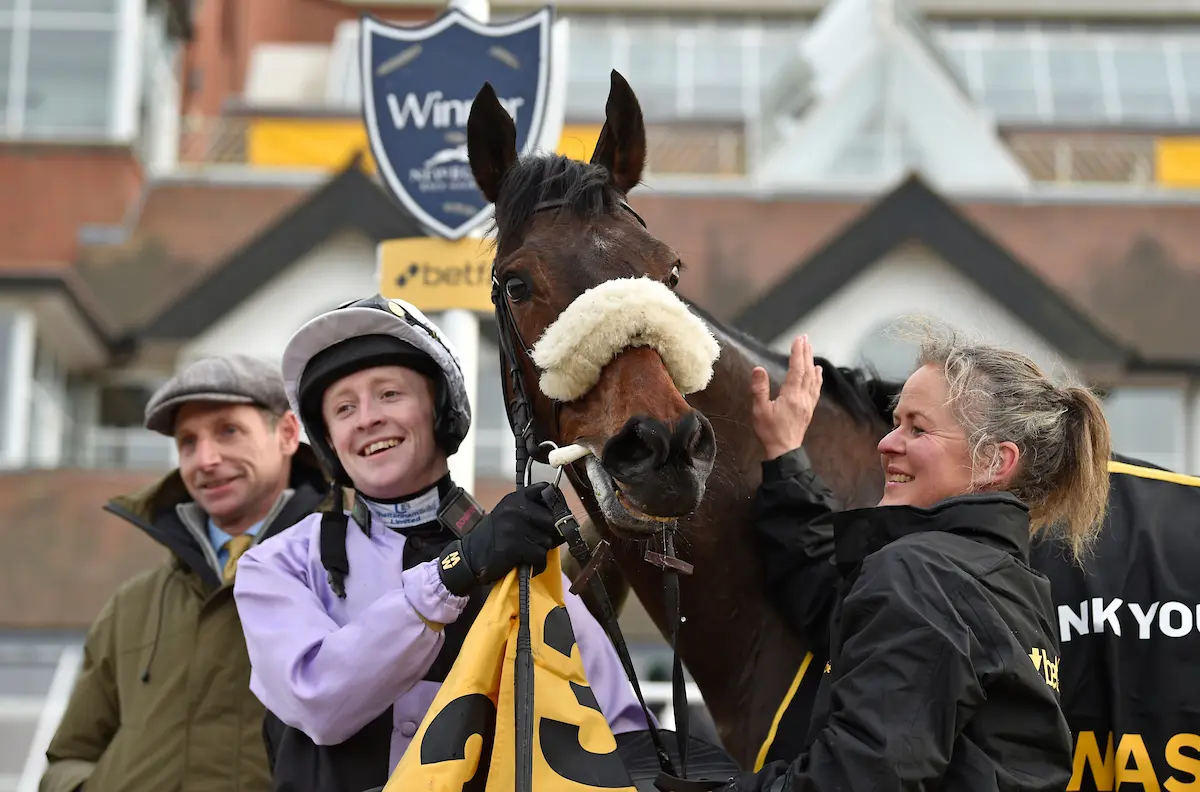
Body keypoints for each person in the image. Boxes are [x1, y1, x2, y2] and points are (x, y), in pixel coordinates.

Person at [233, 295, 651, 792]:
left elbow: (618, 727)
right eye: (344, 408)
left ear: (440, 412)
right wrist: (451, 575)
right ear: (328, 440)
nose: (366, 419)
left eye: (389, 394)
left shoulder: (519, 557)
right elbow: (318, 702)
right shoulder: (273, 565)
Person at [723, 329, 1111, 792]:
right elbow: (834, 602)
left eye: (917, 428)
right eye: (895, 423)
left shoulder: (922, 575)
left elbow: (856, 780)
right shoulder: (1002, 582)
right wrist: (785, 456)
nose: (887, 443)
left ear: (994, 461)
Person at [40, 355, 330, 792]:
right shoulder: (131, 605)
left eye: (228, 431)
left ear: (288, 434)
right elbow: (68, 757)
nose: (205, 459)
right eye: (188, 442)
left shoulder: (346, 576)